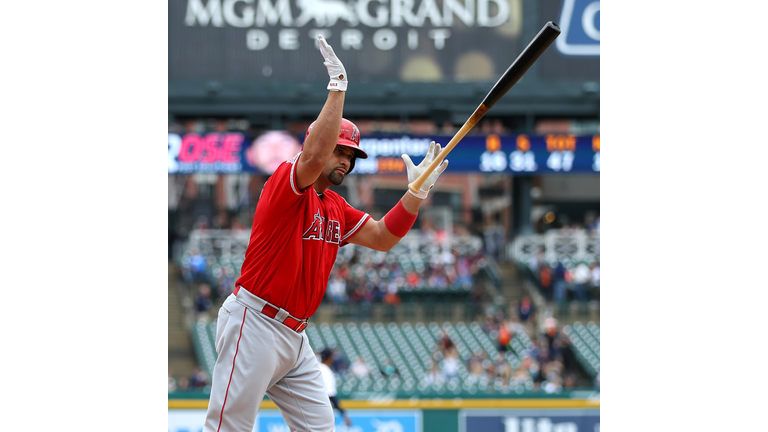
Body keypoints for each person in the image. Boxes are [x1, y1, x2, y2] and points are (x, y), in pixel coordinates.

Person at [202, 35, 450, 432]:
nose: (346, 161)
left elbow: (383, 237)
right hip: (255, 321)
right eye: (340, 150)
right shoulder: (285, 184)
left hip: (296, 335)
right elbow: (314, 157)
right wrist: (337, 87)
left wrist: (415, 194)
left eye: (351, 155)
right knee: (229, 428)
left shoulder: (335, 206)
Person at [318, 348, 352, 428]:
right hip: (321, 411)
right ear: (330, 358)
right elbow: (331, 396)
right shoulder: (326, 372)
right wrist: (344, 414)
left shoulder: (315, 367)